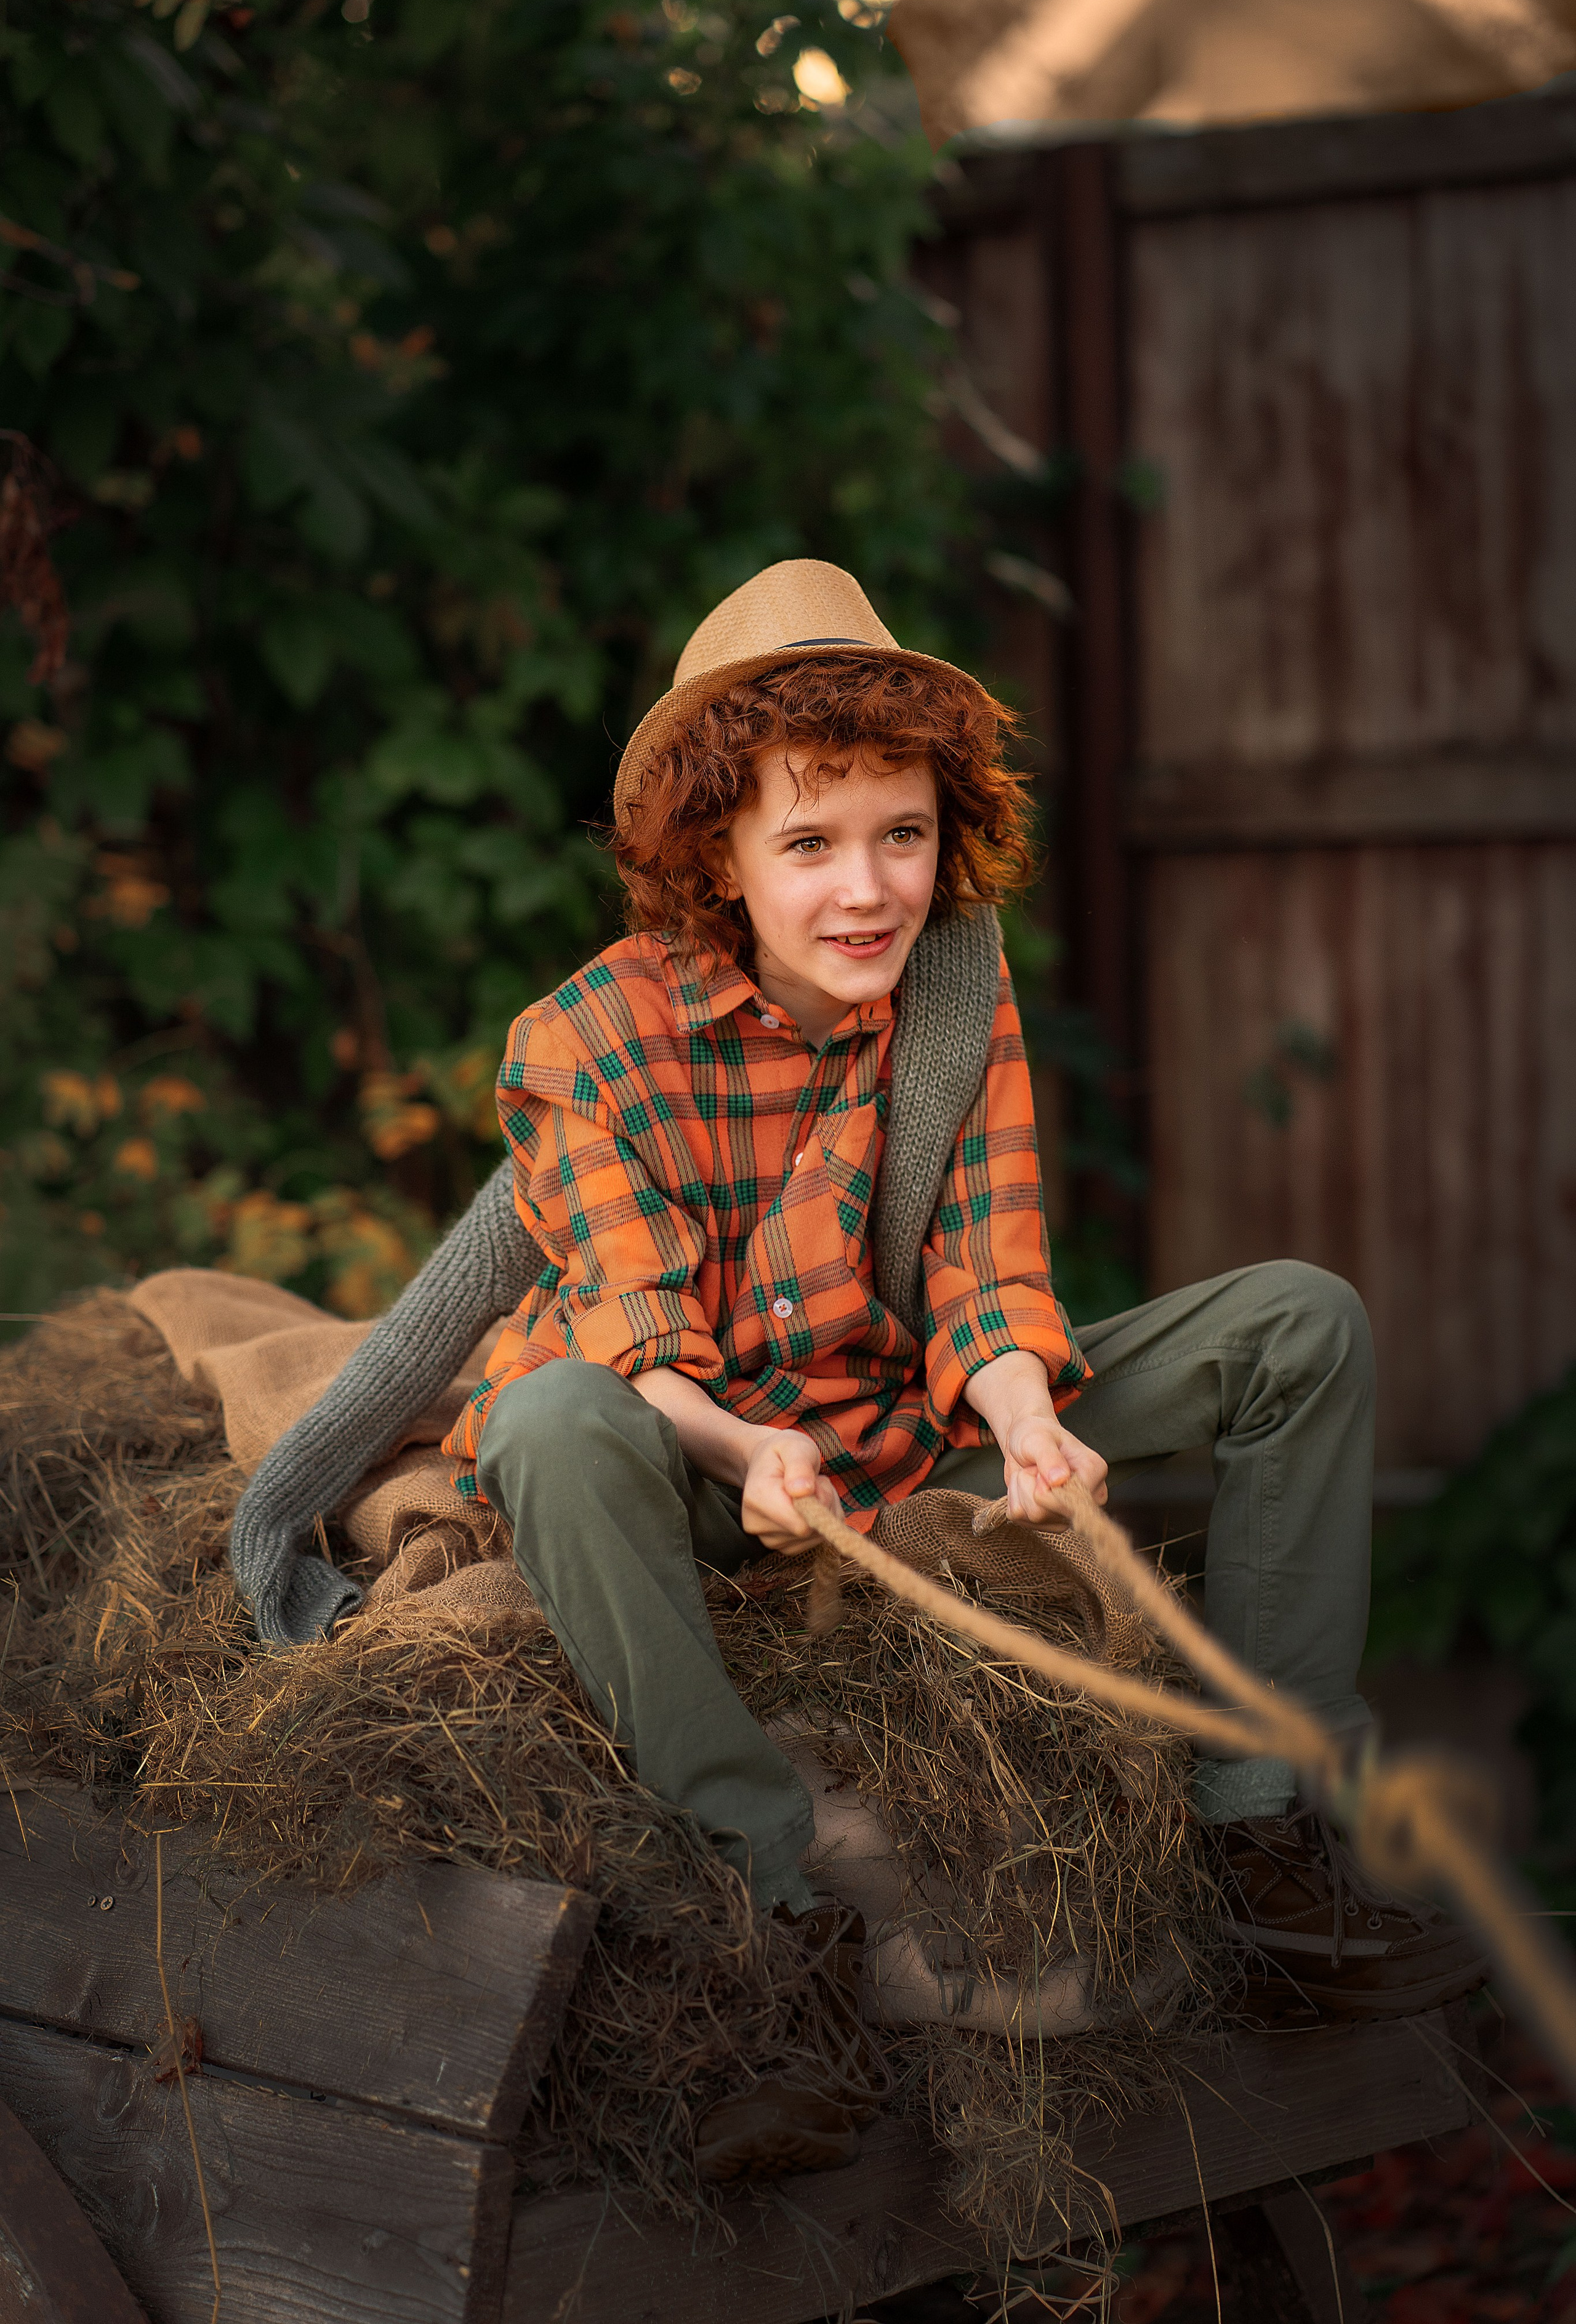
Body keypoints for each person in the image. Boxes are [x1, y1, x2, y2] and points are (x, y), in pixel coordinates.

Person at [229, 559, 1485, 2184]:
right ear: (718, 859)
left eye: (900, 833)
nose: (867, 888)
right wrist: (745, 1452)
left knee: (1300, 1320)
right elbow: (634, 1337)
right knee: (547, 1415)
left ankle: (1268, 1836)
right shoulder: (588, 1041)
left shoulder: (954, 987)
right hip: (680, 1460)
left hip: (885, 1437)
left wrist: (1029, 1413)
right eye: (809, 845)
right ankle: (781, 1904)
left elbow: (985, 1256)